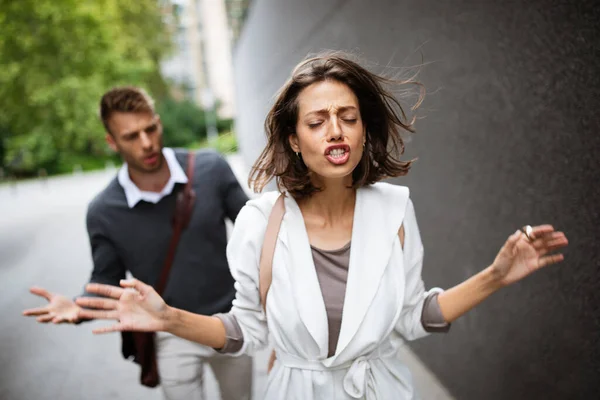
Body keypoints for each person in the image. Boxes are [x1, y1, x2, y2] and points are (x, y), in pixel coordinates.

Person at [74, 54, 569, 399]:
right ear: (293, 139)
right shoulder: (260, 223)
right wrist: (168, 319)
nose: (335, 129)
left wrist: (496, 275)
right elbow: (246, 331)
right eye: (317, 121)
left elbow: (414, 317)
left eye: (347, 117)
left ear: (361, 130)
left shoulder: (396, 209)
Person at [22, 87, 253, 400]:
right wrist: (78, 307)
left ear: (158, 123)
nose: (147, 143)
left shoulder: (211, 169)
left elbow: (256, 230)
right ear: (112, 142)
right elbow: (105, 278)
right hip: (169, 331)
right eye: (131, 136)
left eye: (150, 129)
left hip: (230, 320)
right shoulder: (103, 211)